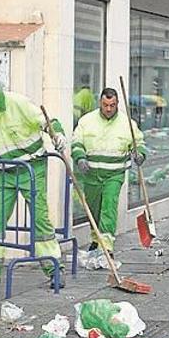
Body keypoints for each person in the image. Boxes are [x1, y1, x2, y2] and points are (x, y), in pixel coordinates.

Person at [0, 70, 67, 289]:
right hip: (5, 173)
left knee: (40, 221)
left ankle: (54, 269)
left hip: (31, 169)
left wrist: (58, 135)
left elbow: (47, 121)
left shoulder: (17, 103)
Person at [71, 88, 146, 254]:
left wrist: (139, 153)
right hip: (91, 174)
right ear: (100, 103)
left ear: (117, 103)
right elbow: (76, 142)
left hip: (114, 174)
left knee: (108, 207)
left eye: (112, 105)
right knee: (93, 208)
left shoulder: (128, 124)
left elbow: (138, 142)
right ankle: (96, 238)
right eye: (105, 105)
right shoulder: (86, 121)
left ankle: (106, 246)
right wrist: (80, 157)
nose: (109, 109)